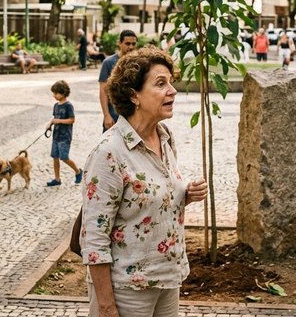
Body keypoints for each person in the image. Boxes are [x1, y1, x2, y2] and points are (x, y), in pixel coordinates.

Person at [81, 46, 208, 317]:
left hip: (168, 278)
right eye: (161, 84)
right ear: (133, 95)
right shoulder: (109, 152)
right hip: (127, 288)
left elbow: (150, 197)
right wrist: (106, 306)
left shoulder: (164, 137)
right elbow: (93, 239)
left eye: (171, 82)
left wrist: (185, 193)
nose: (172, 90)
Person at [99, 29, 137, 132]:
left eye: (134, 44)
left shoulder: (139, 63)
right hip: (114, 114)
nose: (131, 47)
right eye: (127, 43)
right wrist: (106, 115)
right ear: (120, 43)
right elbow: (103, 91)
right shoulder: (108, 63)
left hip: (134, 116)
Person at [47, 80, 82, 187]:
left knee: (64, 157)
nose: (54, 95)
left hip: (65, 137)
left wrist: (58, 121)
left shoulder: (68, 106)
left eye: (56, 93)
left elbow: (72, 120)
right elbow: (55, 118)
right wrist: (50, 124)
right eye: (53, 93)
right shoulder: (56, 105)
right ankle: (57, 179)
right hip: (56, 136)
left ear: (63, 93)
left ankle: (78, 171)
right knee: (55, 157)